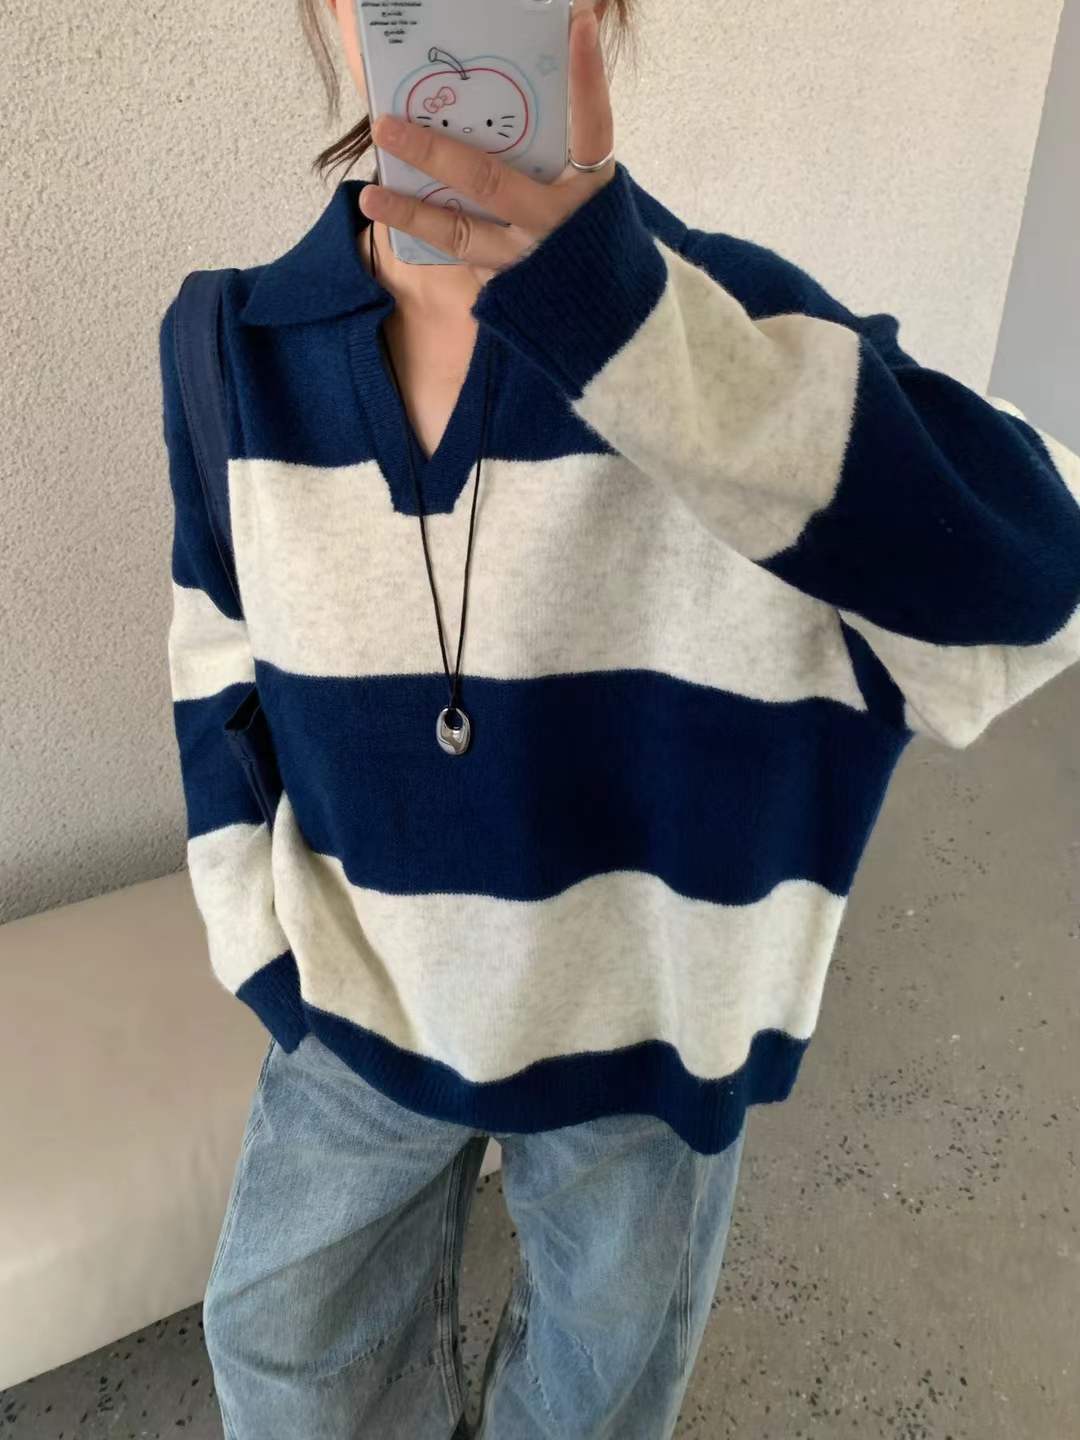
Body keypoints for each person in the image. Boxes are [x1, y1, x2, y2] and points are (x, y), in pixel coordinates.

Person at [156, 1, 1080, 1435]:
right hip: (358, 994)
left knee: (595, 1391)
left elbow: (1032, 580)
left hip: (644, 1035)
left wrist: (637, 334)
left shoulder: (723, 336)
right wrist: (253, 940)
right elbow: (215, 650)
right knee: (281, 1346)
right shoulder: (230, 345)